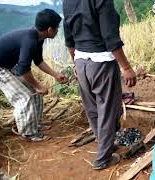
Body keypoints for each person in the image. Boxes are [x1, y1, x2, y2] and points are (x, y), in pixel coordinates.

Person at [63, 0, 137, 170]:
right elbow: (111, 38)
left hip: (81, 62)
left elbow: (69, 38)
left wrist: (75, 63)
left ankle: (104, 143)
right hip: (101, 63)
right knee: (108, 111)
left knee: (93, 109)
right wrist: (126, 68)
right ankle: (103, 159)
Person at [0, 9, 67, 142]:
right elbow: (23, 70)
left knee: (35, 91)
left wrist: (56, 74)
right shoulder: (30, 40)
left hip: (7, 66)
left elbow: (38, 61)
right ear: (50, 29)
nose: (58, 31)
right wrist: (38, 85)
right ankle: (28, 133)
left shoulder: (37, 38)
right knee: (24, 97)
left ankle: (37, 123)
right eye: (57, 28)